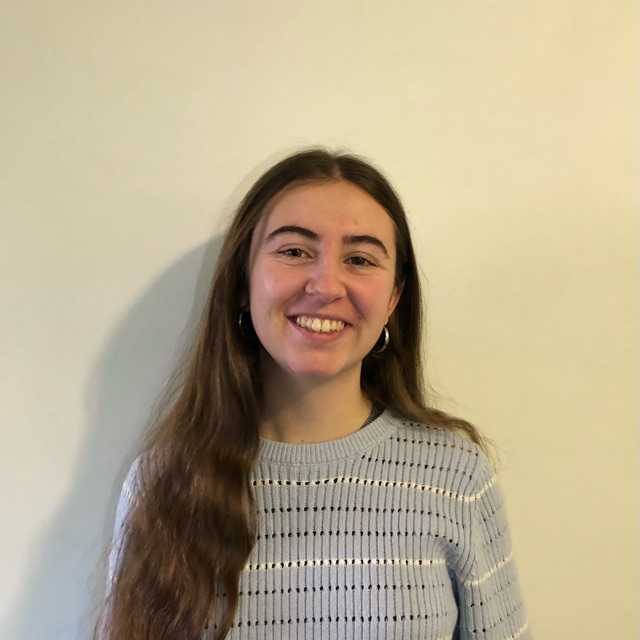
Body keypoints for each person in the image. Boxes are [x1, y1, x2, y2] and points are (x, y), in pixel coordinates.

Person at [96, 148, 532, 640]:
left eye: (360, 259)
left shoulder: (455, 476)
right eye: (294, 251)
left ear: (393, 298)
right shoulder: (164, 482)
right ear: (242, 282)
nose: (326, 286)